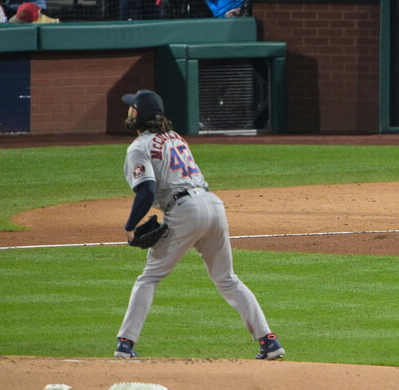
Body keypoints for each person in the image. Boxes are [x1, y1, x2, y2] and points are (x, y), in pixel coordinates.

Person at [114, 89, 285, 361]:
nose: (128, 111)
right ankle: (268, 340)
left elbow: (146, 190)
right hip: (213, 204)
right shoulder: (175, 137)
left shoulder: (138, 147)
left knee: (150, 277)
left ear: (137, 115)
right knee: (227, 279)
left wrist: (130, 224)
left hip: (184, 211)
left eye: (130, 108)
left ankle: (125, 343)